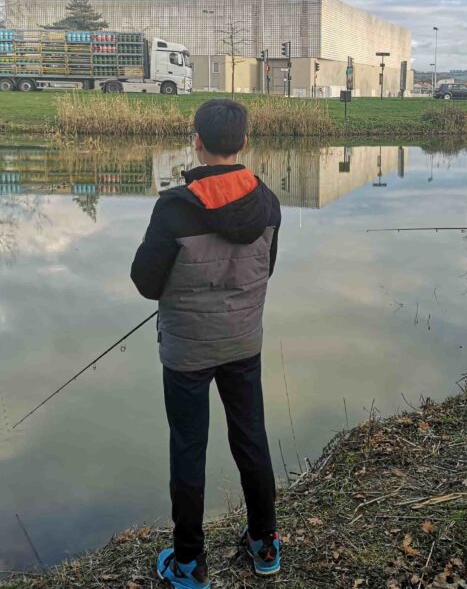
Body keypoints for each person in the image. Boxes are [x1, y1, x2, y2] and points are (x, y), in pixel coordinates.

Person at [131, 99, 282, 588]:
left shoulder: (175, 206)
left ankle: (190, 563)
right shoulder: (268, 201)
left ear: (196, 141)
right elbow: (266, 269)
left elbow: (146, 283)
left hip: (187, 351)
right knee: (252, 439)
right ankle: (264, 543)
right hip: (243, 341)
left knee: (189, 448)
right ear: (244, 141)